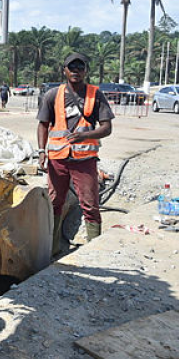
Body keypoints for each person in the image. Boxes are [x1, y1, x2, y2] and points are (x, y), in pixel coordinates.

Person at [36, 53, 114, 255]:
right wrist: (41, 151)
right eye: (72, 67)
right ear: (64, 70)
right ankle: (51, 251)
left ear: (86, 71)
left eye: (80, 68)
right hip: (57, 159)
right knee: (54, 203)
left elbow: (107, 128)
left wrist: (85, 136)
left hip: (84, 160)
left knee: (90, 204)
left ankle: (93, 252)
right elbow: (43, 125)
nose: (76, 71)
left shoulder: (95, 95)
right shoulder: (53, 95)